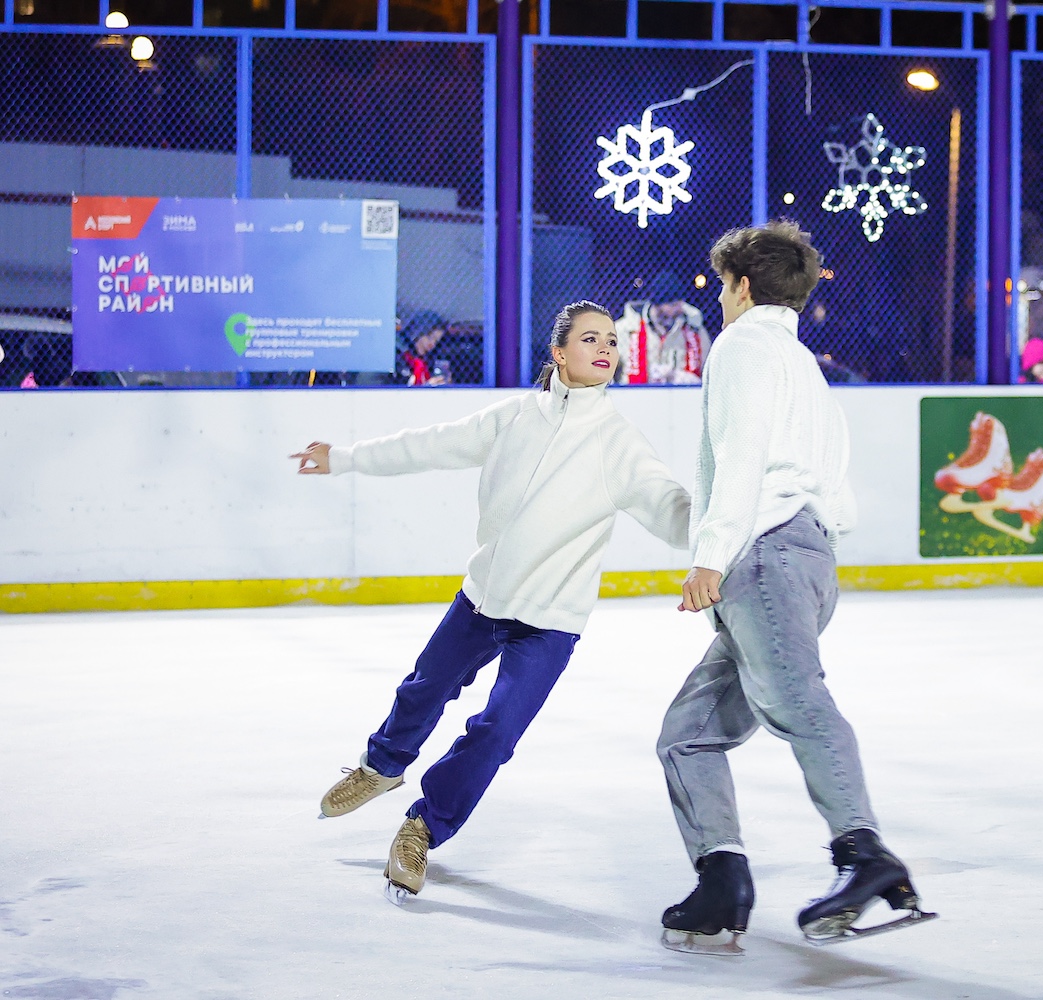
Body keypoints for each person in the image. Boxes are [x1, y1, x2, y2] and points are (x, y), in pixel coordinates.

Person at [291, 301, 690, 902]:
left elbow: (670, 508)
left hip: (550, 620)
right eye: (590, 339)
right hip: (484, 597)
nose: (606, 349)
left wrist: (724, 532)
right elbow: (428, 444)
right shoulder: (513, 418)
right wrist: (343, 458)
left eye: (611, 340)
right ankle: (381, 768)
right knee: (423, 688)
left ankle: (422, 827)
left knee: (496, 732)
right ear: (559, 353)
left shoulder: (619, 443)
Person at [656, 221, 933, 956]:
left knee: (800, 702)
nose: (720, 297)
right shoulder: (803, 363)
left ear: (743, 287)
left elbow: (743, 453)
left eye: (723, 285)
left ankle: (865, 853)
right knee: (687, 735)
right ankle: (722, 877)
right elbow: (830, 473)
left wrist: (711, 554)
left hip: (766, 558)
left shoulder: (743, 348)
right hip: (805, 558)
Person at [615, 271, 711, 385]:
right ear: (657, 305)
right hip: (635, 398)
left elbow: (708, 369)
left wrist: (679, 377)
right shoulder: (625, 330)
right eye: (673, 305)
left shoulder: (695, 330)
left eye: (680, 303)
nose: (679, 309)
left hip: (681, 399)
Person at [395, 311, 449, 386]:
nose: (432, 344)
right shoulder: (401, 359)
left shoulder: (429, 361)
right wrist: (427, 386)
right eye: (430, 337)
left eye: (436, 341)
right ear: (418, 334)